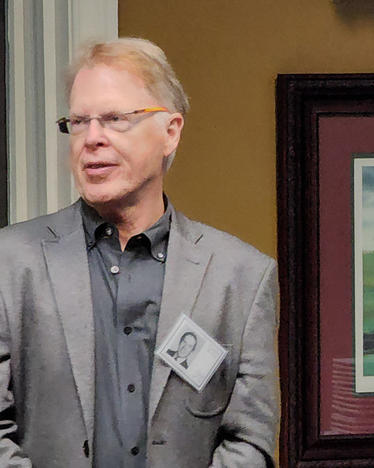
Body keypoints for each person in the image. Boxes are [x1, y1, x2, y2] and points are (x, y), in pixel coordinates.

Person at [0, 38, 279, 467]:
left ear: (171, 133)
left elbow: (249, 442)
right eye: (78, 121)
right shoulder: (10, 263)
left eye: (115, 119)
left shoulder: (240, 277)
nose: (92, 138)